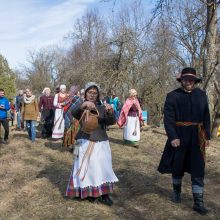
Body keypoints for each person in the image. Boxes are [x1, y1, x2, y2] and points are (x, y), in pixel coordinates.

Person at [158, 67, 211, 215]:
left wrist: (206, 136)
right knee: (178, 165)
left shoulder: (202, 95)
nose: (188, 82)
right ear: (181, 80)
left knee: (198, 167)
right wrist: (173, 136)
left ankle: (198, 202)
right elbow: (168, 120)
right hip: (179, 135)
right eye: (186, 79)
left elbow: (206, 116)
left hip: (197, 136)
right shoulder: (172, 96)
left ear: (195, 81)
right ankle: (176, 192)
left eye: (191, 79)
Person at [66, 82, 118, 206]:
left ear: (98, 95)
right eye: (90, 92)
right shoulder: (81, 106)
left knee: (103, 169)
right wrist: (84, 104)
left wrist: (110, 112)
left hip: (101, 142)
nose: (92, 95)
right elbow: (72, 112)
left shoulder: (101, 107)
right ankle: (87, 194)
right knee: (84, 168)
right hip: (83, 141)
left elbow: (111, 121)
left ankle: (104, 195)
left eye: (95, 93)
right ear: (85, 93)